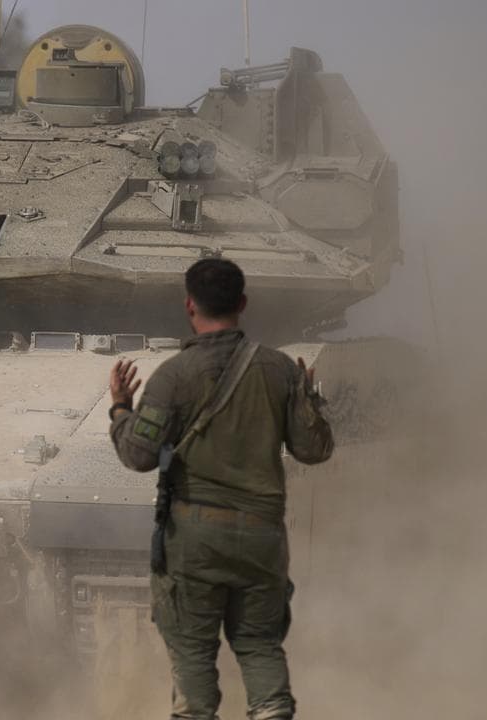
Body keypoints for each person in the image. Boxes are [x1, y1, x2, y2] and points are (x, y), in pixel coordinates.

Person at [107, 258, 333, 720]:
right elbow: (313, 450)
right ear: (243, 303)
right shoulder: (280, 371)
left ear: (189, 305)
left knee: (192, 655)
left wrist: (120, 410)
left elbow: (138, 456)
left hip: (195, 543)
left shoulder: (173, 376)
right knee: (259, 647)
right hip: (261, 541)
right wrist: (308, 399)